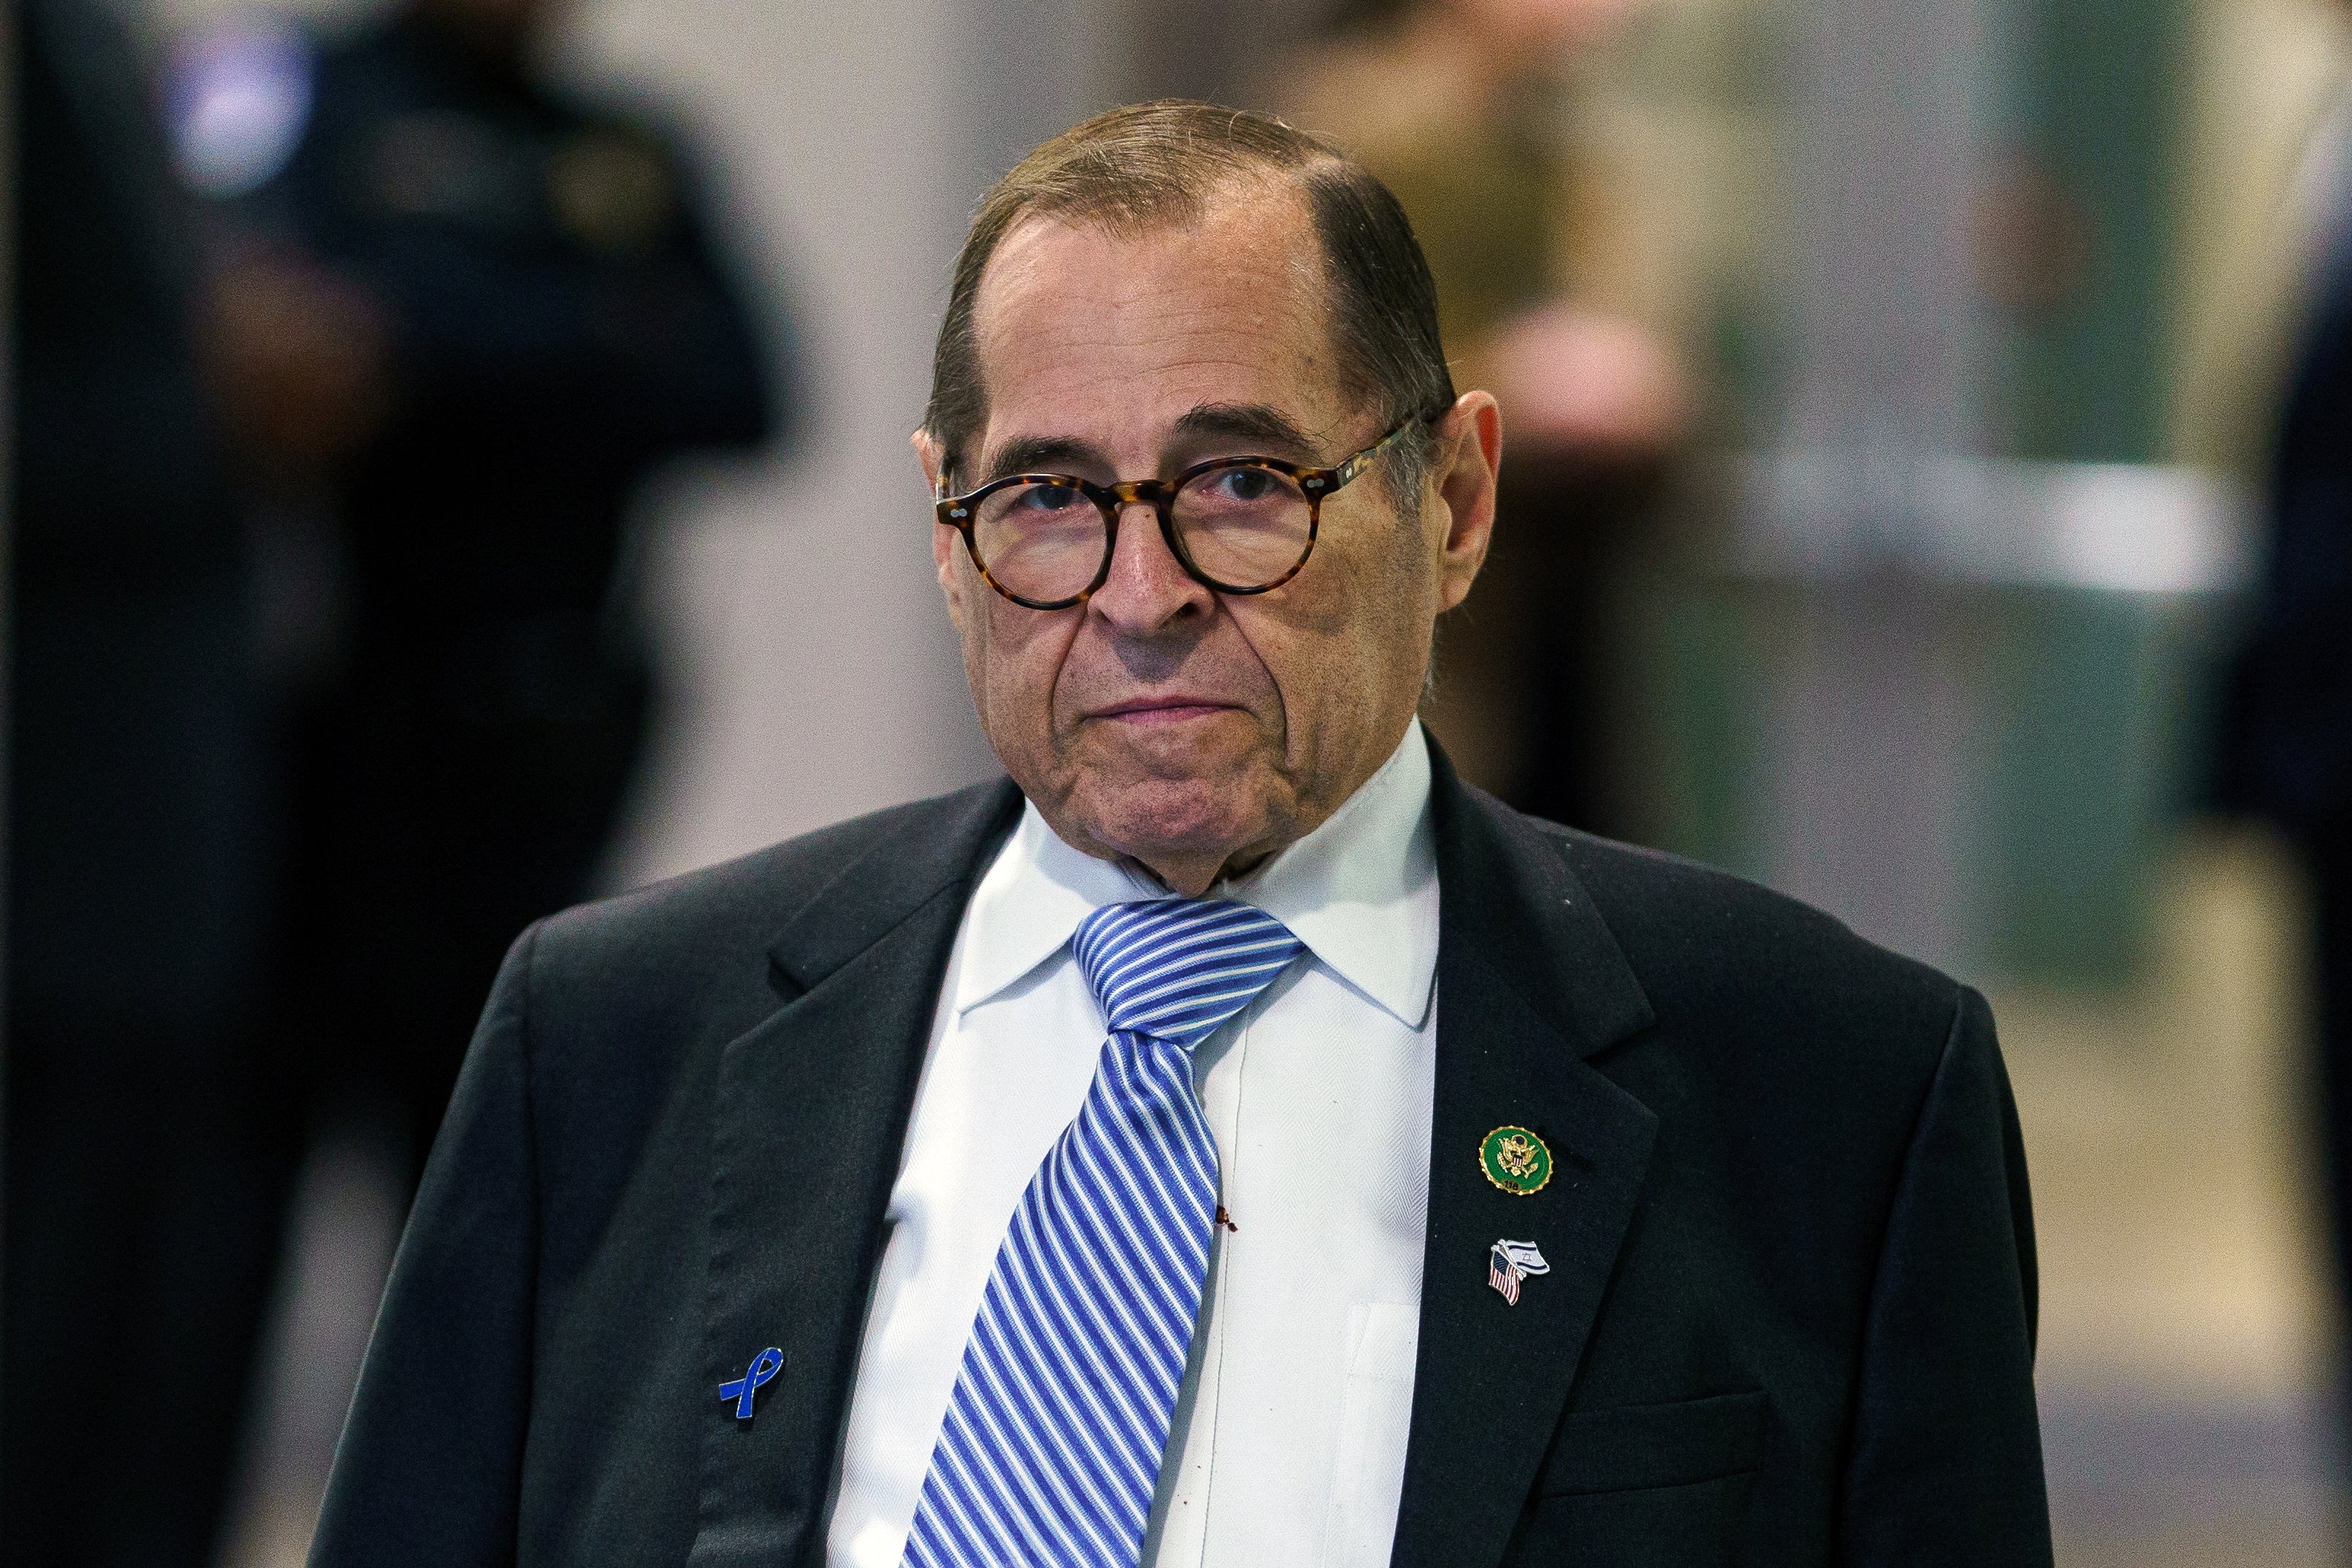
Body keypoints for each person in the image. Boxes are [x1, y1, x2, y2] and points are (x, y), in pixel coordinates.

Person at [309, 102, 2049, 1567]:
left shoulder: (1831, 1097)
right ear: (945, 533)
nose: (1141, 599)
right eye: (1052, 499)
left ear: (1450, 503)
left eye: (1240, 484)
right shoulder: (611, 1042)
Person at [190, 0, 780, 1183]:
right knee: (238, 1164)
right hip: (329, 726)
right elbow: (270, 357)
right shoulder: (283, 95)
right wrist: (595, 334)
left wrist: (424, 349)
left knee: (491, 1151)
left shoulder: (622, 145)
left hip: (546, 719)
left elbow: (746, 389)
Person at [3, 2, 284, 1563]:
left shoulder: (108, 42)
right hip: (63, 826)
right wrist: (215, 413)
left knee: (145, 1350)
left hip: (180, 817)